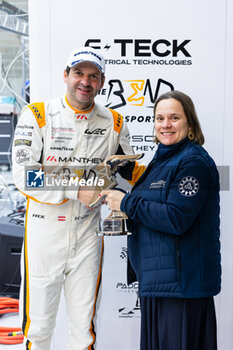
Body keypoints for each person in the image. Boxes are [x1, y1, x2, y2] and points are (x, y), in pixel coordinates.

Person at [11, 47, 144, 350]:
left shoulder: (115, 122)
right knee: (39, 327)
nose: (85, 81)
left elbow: (124, 173)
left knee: (84, 329)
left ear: (102, 82)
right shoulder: (38, 114)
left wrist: (122, 193)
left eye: (93, 76)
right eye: (79, 73)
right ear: (66, 76)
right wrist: (76, 188)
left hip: (87, 234)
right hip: (44, 236)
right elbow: (25, 175)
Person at [102, 90, 221, 350]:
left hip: (182, 287)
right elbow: (152, 213)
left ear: (190, 123)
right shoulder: (161, 160)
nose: (165, 124)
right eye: (159, 118)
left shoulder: (194, 163)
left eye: (174, 117)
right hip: (158, 283)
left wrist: (125, 202)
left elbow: (176, 218)